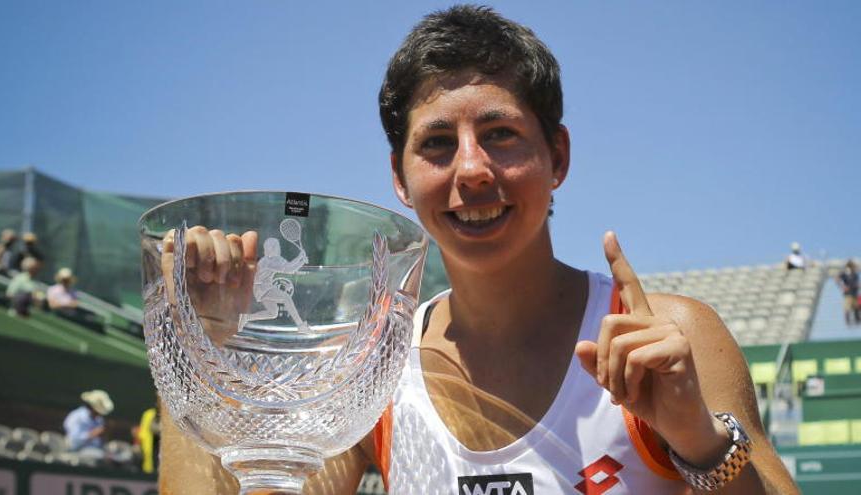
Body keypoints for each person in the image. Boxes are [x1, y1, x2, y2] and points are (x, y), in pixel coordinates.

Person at [158, 5, 798, 494]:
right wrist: (196, 345)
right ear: (399, 180)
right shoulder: (373, 369)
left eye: (501, 134)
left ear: (559, 158)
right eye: (437, 143)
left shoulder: (666, 336)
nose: (471, 170)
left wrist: (700, 443)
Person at [64, 389, 113, 464]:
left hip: (96, 450)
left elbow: (101, 443)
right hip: (77, 452)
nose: (100, 414)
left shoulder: (99, 419)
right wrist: (94, 433)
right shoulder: (76, 417)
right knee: (103, 457)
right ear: (90, 407)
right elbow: (74, 443)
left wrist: (104, 435)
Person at [837, 260, 860, 326]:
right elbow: (837, 278)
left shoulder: (855, 274)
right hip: (848, 294)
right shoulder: (844, 273)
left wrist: (858, 285)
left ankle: (857, 320)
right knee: (847, 308)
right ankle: (848, 322)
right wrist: (843, 286)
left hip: (855, 293)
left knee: (857, 307)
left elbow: (856, 283)